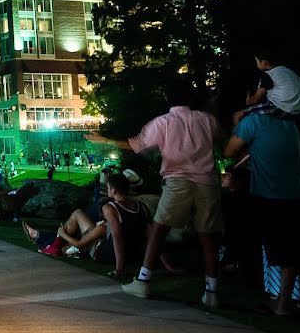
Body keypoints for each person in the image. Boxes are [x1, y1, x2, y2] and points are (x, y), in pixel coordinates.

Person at [87, 79, 224, 309]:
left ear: (167, 98)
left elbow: (136, 145)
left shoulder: (163, 123)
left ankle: (143, 281)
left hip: (178, 181)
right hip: (207, 182)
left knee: (159, 230)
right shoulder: (206, 120)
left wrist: (103, 139)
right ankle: (212, 291)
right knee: (207, 236)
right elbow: (221, 136)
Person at [224, 111, 300, 315]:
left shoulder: (254, 121)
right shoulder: (290, 123)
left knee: (287, 251)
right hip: (297, 191)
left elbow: (230, 151)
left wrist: (238, 123)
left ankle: (282, 305)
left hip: (272, 194)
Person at [24, 173, 151, 279]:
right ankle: (49, 242)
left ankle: (51, 243)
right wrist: (165, 265)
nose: (107, 191)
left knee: (78, 220)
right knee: (79, 215)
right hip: (131, 254)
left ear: (113, 190)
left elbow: (116, 237)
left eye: (107, 188)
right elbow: (153, 236)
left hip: (103, 254)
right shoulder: (142, 207)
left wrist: (119, 269)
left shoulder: (110, 209)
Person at [234, 48, 300, 124]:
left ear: (264, 62)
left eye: (257, 62)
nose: (257, 64)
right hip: (297, 110)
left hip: (282, 108)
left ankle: (236, 135)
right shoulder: (287, 71)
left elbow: (255, 100)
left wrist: (248, 102)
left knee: (237, 115)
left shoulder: (269, 75)